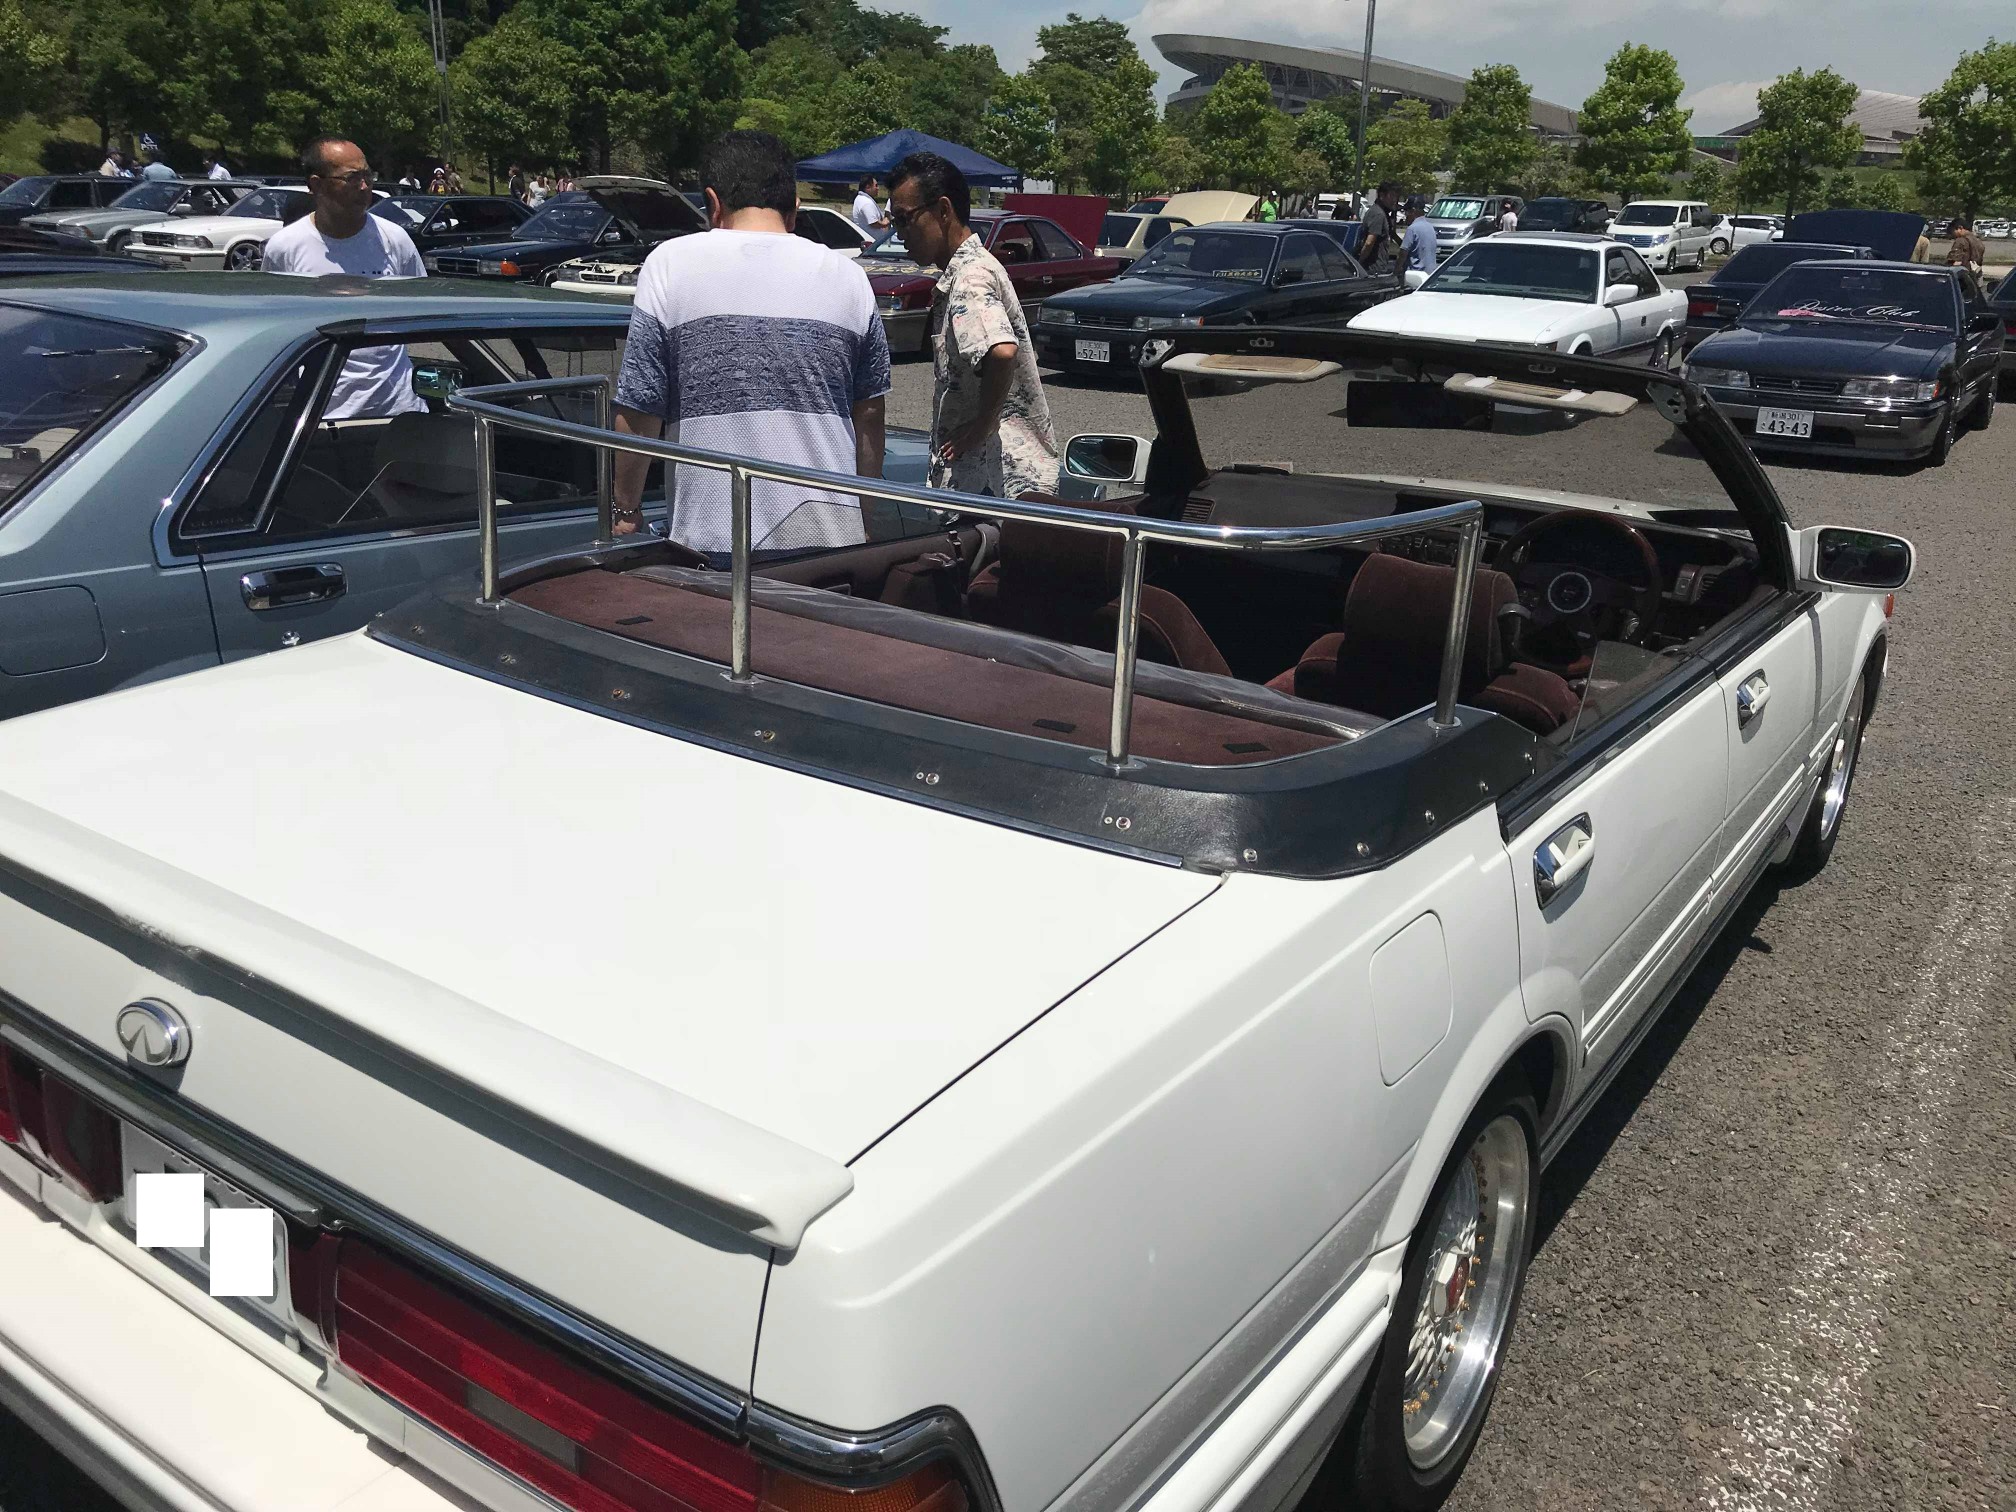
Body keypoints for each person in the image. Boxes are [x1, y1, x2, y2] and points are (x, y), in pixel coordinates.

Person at [610, 129, 889, 559]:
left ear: (712, 202)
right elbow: (869, 413)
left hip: (714, 542)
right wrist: (862, 518)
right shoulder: (850, 276)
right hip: (832, 544)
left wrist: (626, 509)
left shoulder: (670, 263)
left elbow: (641, 407)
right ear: (794, 208)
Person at [888, 150, 1058, 500]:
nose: (898, 233)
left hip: (989, 489)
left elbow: (1002, 351)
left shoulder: (970, 278)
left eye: (904, 219)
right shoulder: (976, 267)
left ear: (943, 210)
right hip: (998, 486)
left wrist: (983, 424)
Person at [261, 136, 428, 422]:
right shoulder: (285, 247)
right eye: (352, 178)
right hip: (321, 416)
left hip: (397, 411)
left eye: (367, 176)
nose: (364, 187)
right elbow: (272, 328)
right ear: (316, 185)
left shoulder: (395, 239)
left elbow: (423, 311)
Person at [1359, 181, 1401, 279]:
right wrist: (1359, 263)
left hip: (1379, 267)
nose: (1394, 200)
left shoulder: (1383, 213)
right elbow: (1369, 243)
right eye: (1392, 196)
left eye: (1396, 196)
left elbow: (1391, 234)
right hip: (1373, 270)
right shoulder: (1378, 214)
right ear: (1382, 195)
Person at [1401, 195, 1437, 277]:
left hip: (1415, 276)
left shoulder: (1412, 229)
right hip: (1430, 275)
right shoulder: (1430, 227)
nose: (1405, 215)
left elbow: (1403, 253)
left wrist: (1396, 270)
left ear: (1413, 211)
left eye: (1406, 211)